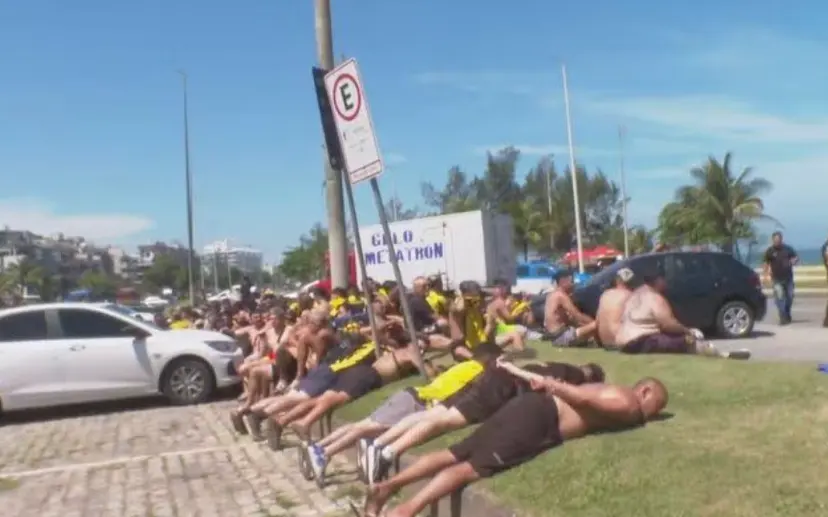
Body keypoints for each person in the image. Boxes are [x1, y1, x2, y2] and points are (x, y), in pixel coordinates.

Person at [361, 376, 669, 517]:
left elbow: (587, 398)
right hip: (539, 419)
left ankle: (388, 486)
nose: (649, 414)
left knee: (455, 452)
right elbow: (583, 399)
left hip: (529, 406)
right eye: (655, 405)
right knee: (470, 469)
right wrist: (553, 385)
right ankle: (406, 511)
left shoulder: (611, 388)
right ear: (644, 390)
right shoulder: (629, 402)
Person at [361, 357, 605, 485]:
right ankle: (388, 453)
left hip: (491, 378)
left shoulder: (559, 365)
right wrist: (514, 371)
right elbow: (542, 382)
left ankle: (380, 444)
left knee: (435, 414)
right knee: (446, 420)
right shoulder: (573, 375)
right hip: (500, 387)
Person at [302, 342, 503, 484]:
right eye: (496, 359)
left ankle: (319, 448)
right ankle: (323, 453)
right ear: (488, 357)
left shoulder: (465, 366)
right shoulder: (477, 370)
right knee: (366, 427)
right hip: (418, 401)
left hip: (413, 396)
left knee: (364, 425)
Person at [614, 267, 750, 359]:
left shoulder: (635, 294)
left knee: (670, 339)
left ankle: (714, 351)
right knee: (687, 340)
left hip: (623, 344)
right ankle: (719, 354)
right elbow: (668, 324)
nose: (666, 283)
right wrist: (688, 331)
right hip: (641, 342)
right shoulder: (654, 297)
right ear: (658, 280)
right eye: (664, 279)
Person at [543, 269, 597, 346]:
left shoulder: (551, 295)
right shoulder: (560, 296)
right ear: (563, 282)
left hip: (556, 337)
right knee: (597, 324)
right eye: (571, 281)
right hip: (562, 337)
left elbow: (567, 319)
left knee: (587, 328)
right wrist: (594, 322)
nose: (573, 284)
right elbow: (578, 316)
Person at [763, 231, 798, 325]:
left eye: (778, 240)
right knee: (780, 296)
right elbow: (766, 262)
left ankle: (787, 312)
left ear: (781, 240)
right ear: (772, 240)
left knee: (790, 297)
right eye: (775, 240)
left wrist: (793, 261)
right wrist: (765, 275)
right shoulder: (770, 251)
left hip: (788, 277)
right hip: (776, 278)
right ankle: (782, 316)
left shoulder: (788, 249)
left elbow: (795, 257)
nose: (777, 242)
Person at [595, 267, 635, 347]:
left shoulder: (605, 295)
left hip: (605, 343)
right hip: (621, 342)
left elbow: (597, 322)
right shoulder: (630, 296)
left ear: (616, 280)